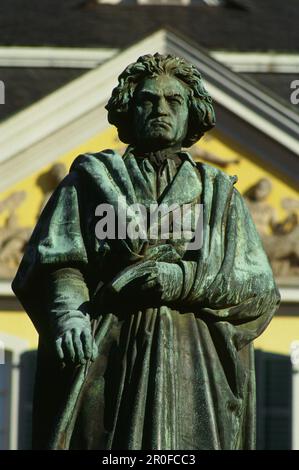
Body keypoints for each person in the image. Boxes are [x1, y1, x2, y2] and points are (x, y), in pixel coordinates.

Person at [12, 53, 280, 450]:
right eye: (147, 100)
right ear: (127, 109)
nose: (161, 109)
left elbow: (258, 289)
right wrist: (68, 316)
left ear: (193, 113)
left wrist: (183, 279)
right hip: (107, 357)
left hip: (195, 367)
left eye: (174, 101)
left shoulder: (220, 195)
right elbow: (60, 263)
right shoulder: (89, 182)